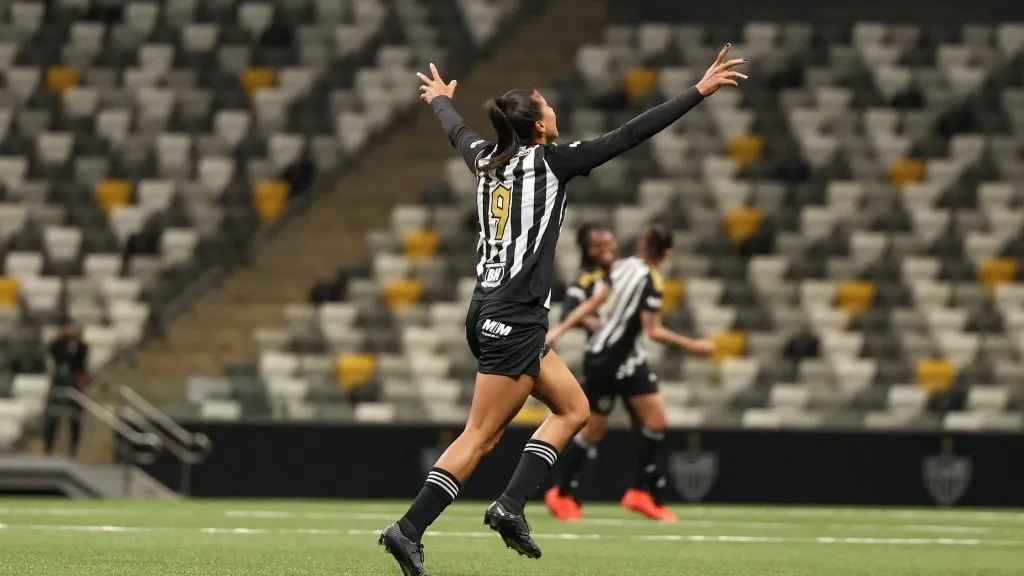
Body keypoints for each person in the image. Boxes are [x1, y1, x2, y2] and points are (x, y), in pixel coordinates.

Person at [379, 45, 746, 576]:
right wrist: (698, 91)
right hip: (513, 316)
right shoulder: (551, 162)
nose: (554, 110)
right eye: (546, 106)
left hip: (491, 311)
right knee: (480, 435)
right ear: (537, 126)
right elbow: (630, 136)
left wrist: (440, 100)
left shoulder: (486, 159)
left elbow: (456, 131)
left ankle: (510, 506)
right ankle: (408, 529)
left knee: (574, 409)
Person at [544, 225, 716, 522]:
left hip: (627, 359)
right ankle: (563, 493)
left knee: (654, 423)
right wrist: (692, 345)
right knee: (594, 430)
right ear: (669, 253)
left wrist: (560, 329)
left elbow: (595, 303)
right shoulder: (647, 278)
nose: (606, 248)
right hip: (608, 361)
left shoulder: (624, 267)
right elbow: (653, 330)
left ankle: (640, 493)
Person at [43, 319, 89, 457]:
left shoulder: (80, 345)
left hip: (74, 381)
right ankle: (49, 447)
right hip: (59, 381)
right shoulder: (57, 344)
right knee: (53, 416)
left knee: (74, 416)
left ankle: (73, 449)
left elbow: (82, 360)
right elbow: (53, 353)